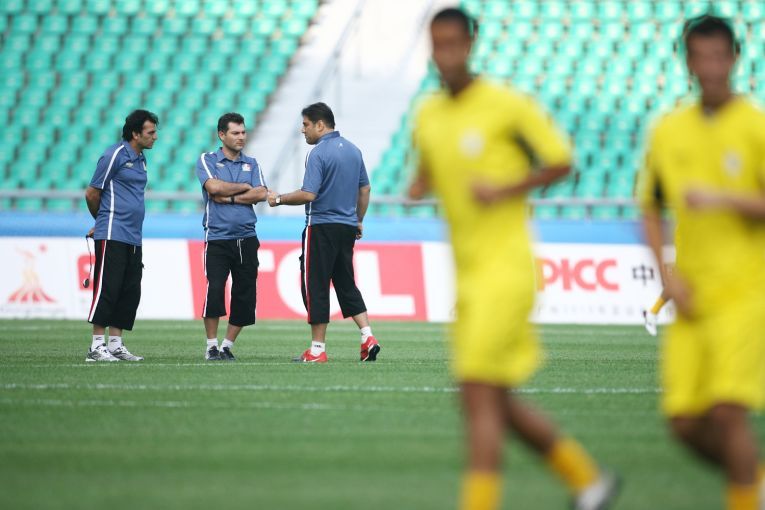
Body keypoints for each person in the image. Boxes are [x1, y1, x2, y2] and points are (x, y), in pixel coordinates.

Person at [408, 8, 618, 510]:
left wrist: (503, 188)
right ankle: (589, 480)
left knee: (478, 390)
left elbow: (561, 161)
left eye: (454, 43)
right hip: (467, 275)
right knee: (489, 398)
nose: (446, 54)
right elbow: (428, 170)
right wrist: (420, 186)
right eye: (437, 44)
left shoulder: (506, 105)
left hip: (507, 270)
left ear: (471, 44)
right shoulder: (428, 115)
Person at [639, 15, 765, 510]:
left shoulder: (755, 127)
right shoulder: (669, 130)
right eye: (700, 58)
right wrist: (666, 275)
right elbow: (650, 207)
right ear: (687, 63)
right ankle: (755, 482)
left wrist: (724, 198)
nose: (710, 68)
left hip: (746, 294)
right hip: (691, 297)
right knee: (684, 424)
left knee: (728, 413)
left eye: (719, 57)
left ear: (734, 59)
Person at [267, 102, 380, 363]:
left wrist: (279, 199)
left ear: (320, 125)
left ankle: (317, 350)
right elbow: (365, 189)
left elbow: (309, 194)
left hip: (321, 227)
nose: (302, 130)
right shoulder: (354, 150)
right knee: (345, 283)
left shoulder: (317, 153)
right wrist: (358, 220)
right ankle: (367, 336)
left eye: (305, 124)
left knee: (315, 285)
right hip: (347, 227)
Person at [84, 109, 158, 362]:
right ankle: (96, 346)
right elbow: (92, 193)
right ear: (135, 134)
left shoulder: (141, 159)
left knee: (129, 290)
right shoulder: (114, 154)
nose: (155, 137)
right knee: (108, 287)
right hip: (112, 233)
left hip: (133, 236)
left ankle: (115, 344)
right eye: (151, 132)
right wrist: (102, 221)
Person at [195, 112, 267, 361]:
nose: (241, 137)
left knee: (245, 294)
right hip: (217, 237)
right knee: (215, 289)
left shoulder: (252, 163)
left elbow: (261, 193)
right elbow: (213, 187)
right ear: (221, 135)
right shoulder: (207, 159)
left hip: (247, 237)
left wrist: (232, 197)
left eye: (243, 132)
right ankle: (211, 346)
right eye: (235, 133)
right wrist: (245, 187)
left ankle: (226, 345)